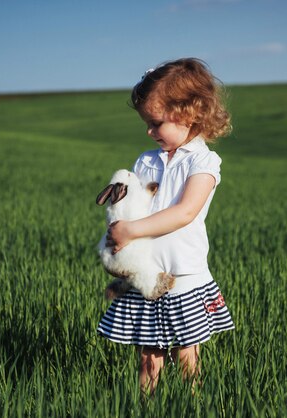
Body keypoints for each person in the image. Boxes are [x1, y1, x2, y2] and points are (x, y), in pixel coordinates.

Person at [96, 58, 235, 394]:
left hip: (183, 274)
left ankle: (193, 405)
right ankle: (145, 406)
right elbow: (129, 208)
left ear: (189, 113)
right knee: (148, 356)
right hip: (147, 273)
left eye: (155, 123)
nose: (149, 131)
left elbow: (185, 212)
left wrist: (131, 231)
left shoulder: (204, 162)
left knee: (186, 353)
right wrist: (117, 243)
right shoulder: (145, 160)